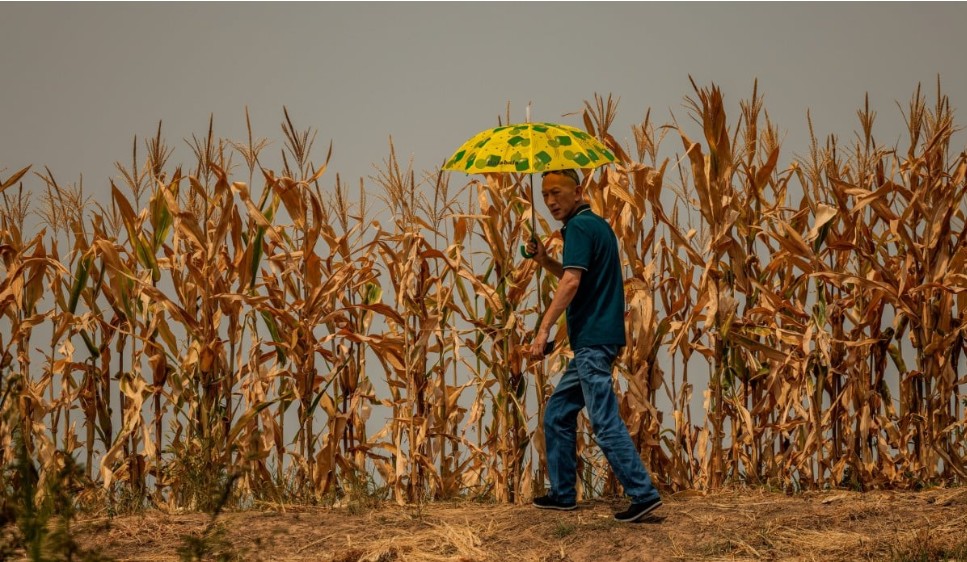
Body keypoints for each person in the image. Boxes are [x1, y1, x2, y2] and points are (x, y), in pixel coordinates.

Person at [526, 168, 662, 523]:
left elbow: (571, 283)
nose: (551, 201)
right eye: (545, 196)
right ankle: (563, 494)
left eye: (557, 192)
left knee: (603, 419)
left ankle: (643, 494)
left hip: (593, 341)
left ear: (579, 189)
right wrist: (543, 260)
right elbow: (577, 275)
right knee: (557, 413)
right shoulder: (595, 226)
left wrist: (542, 331)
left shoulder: (580, 228)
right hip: (597, 339)